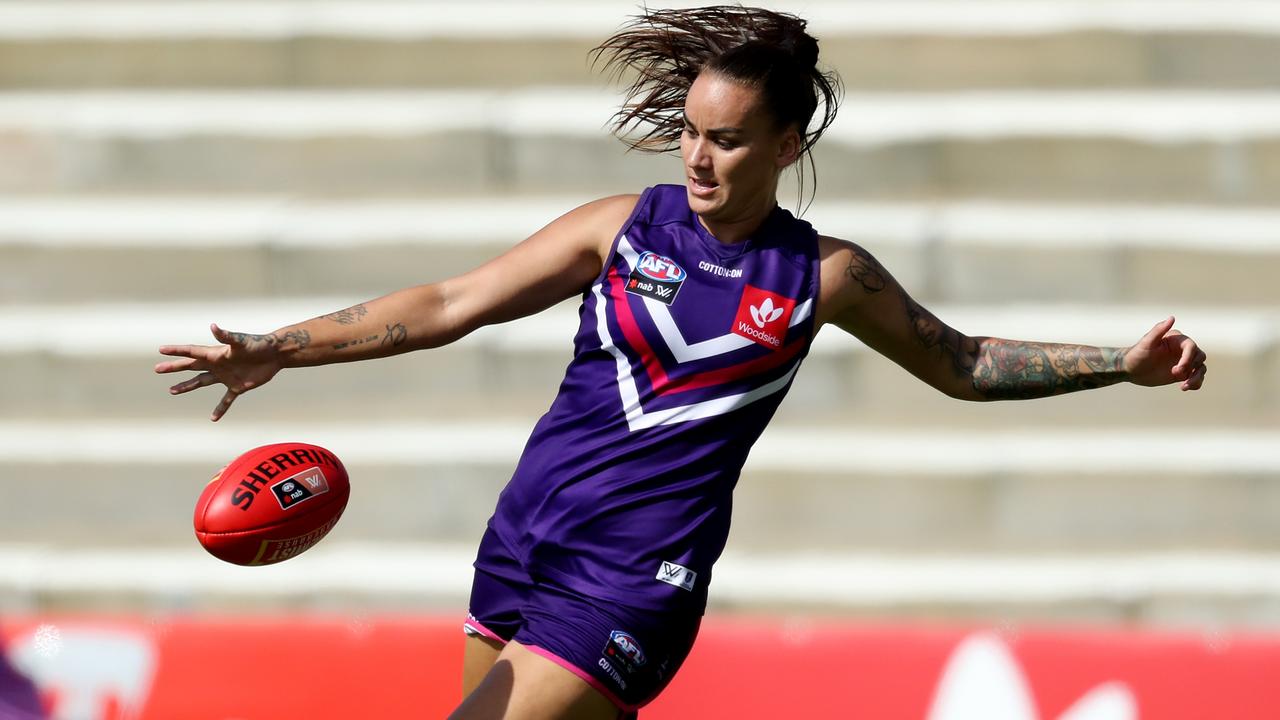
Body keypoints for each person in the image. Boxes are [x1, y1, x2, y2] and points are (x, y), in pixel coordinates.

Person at [155, 6, 1208, 719]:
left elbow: (962, 362)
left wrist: (1120, 363)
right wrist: (276, 349)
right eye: (691, 133)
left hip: (632, 580)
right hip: (523, 541)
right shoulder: (621, 229)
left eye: (731, 139)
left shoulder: (824, 277)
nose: (699, 158)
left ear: (788, 143)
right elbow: (444, 304)